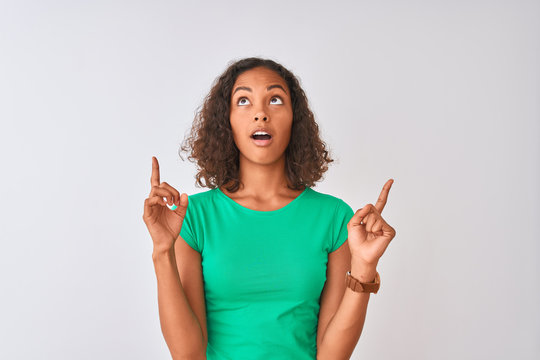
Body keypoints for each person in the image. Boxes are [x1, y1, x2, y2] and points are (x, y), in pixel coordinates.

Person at [142, 57, 396, 360]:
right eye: (244, 101)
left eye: (275, 100)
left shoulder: (335, 218)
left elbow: (332, 356)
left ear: (294, 119)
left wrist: (365, 268)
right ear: (228, 121)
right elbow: (188, 354)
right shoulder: (193, 216)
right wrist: (161, 251)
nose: (261, 114)